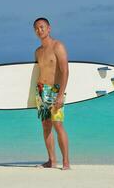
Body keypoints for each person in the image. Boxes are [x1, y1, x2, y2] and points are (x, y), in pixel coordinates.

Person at [33, 17, 70, 170]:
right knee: (46, 126)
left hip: (55, 90)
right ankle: (51, 160)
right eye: (36, 28)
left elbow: (65, 71)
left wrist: (61, 94)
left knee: (58, 125)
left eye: (42, 27)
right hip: (41, 90)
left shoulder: (58, 46)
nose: (39, 30)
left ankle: (66, 162)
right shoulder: (38, 52)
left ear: (49, 29)